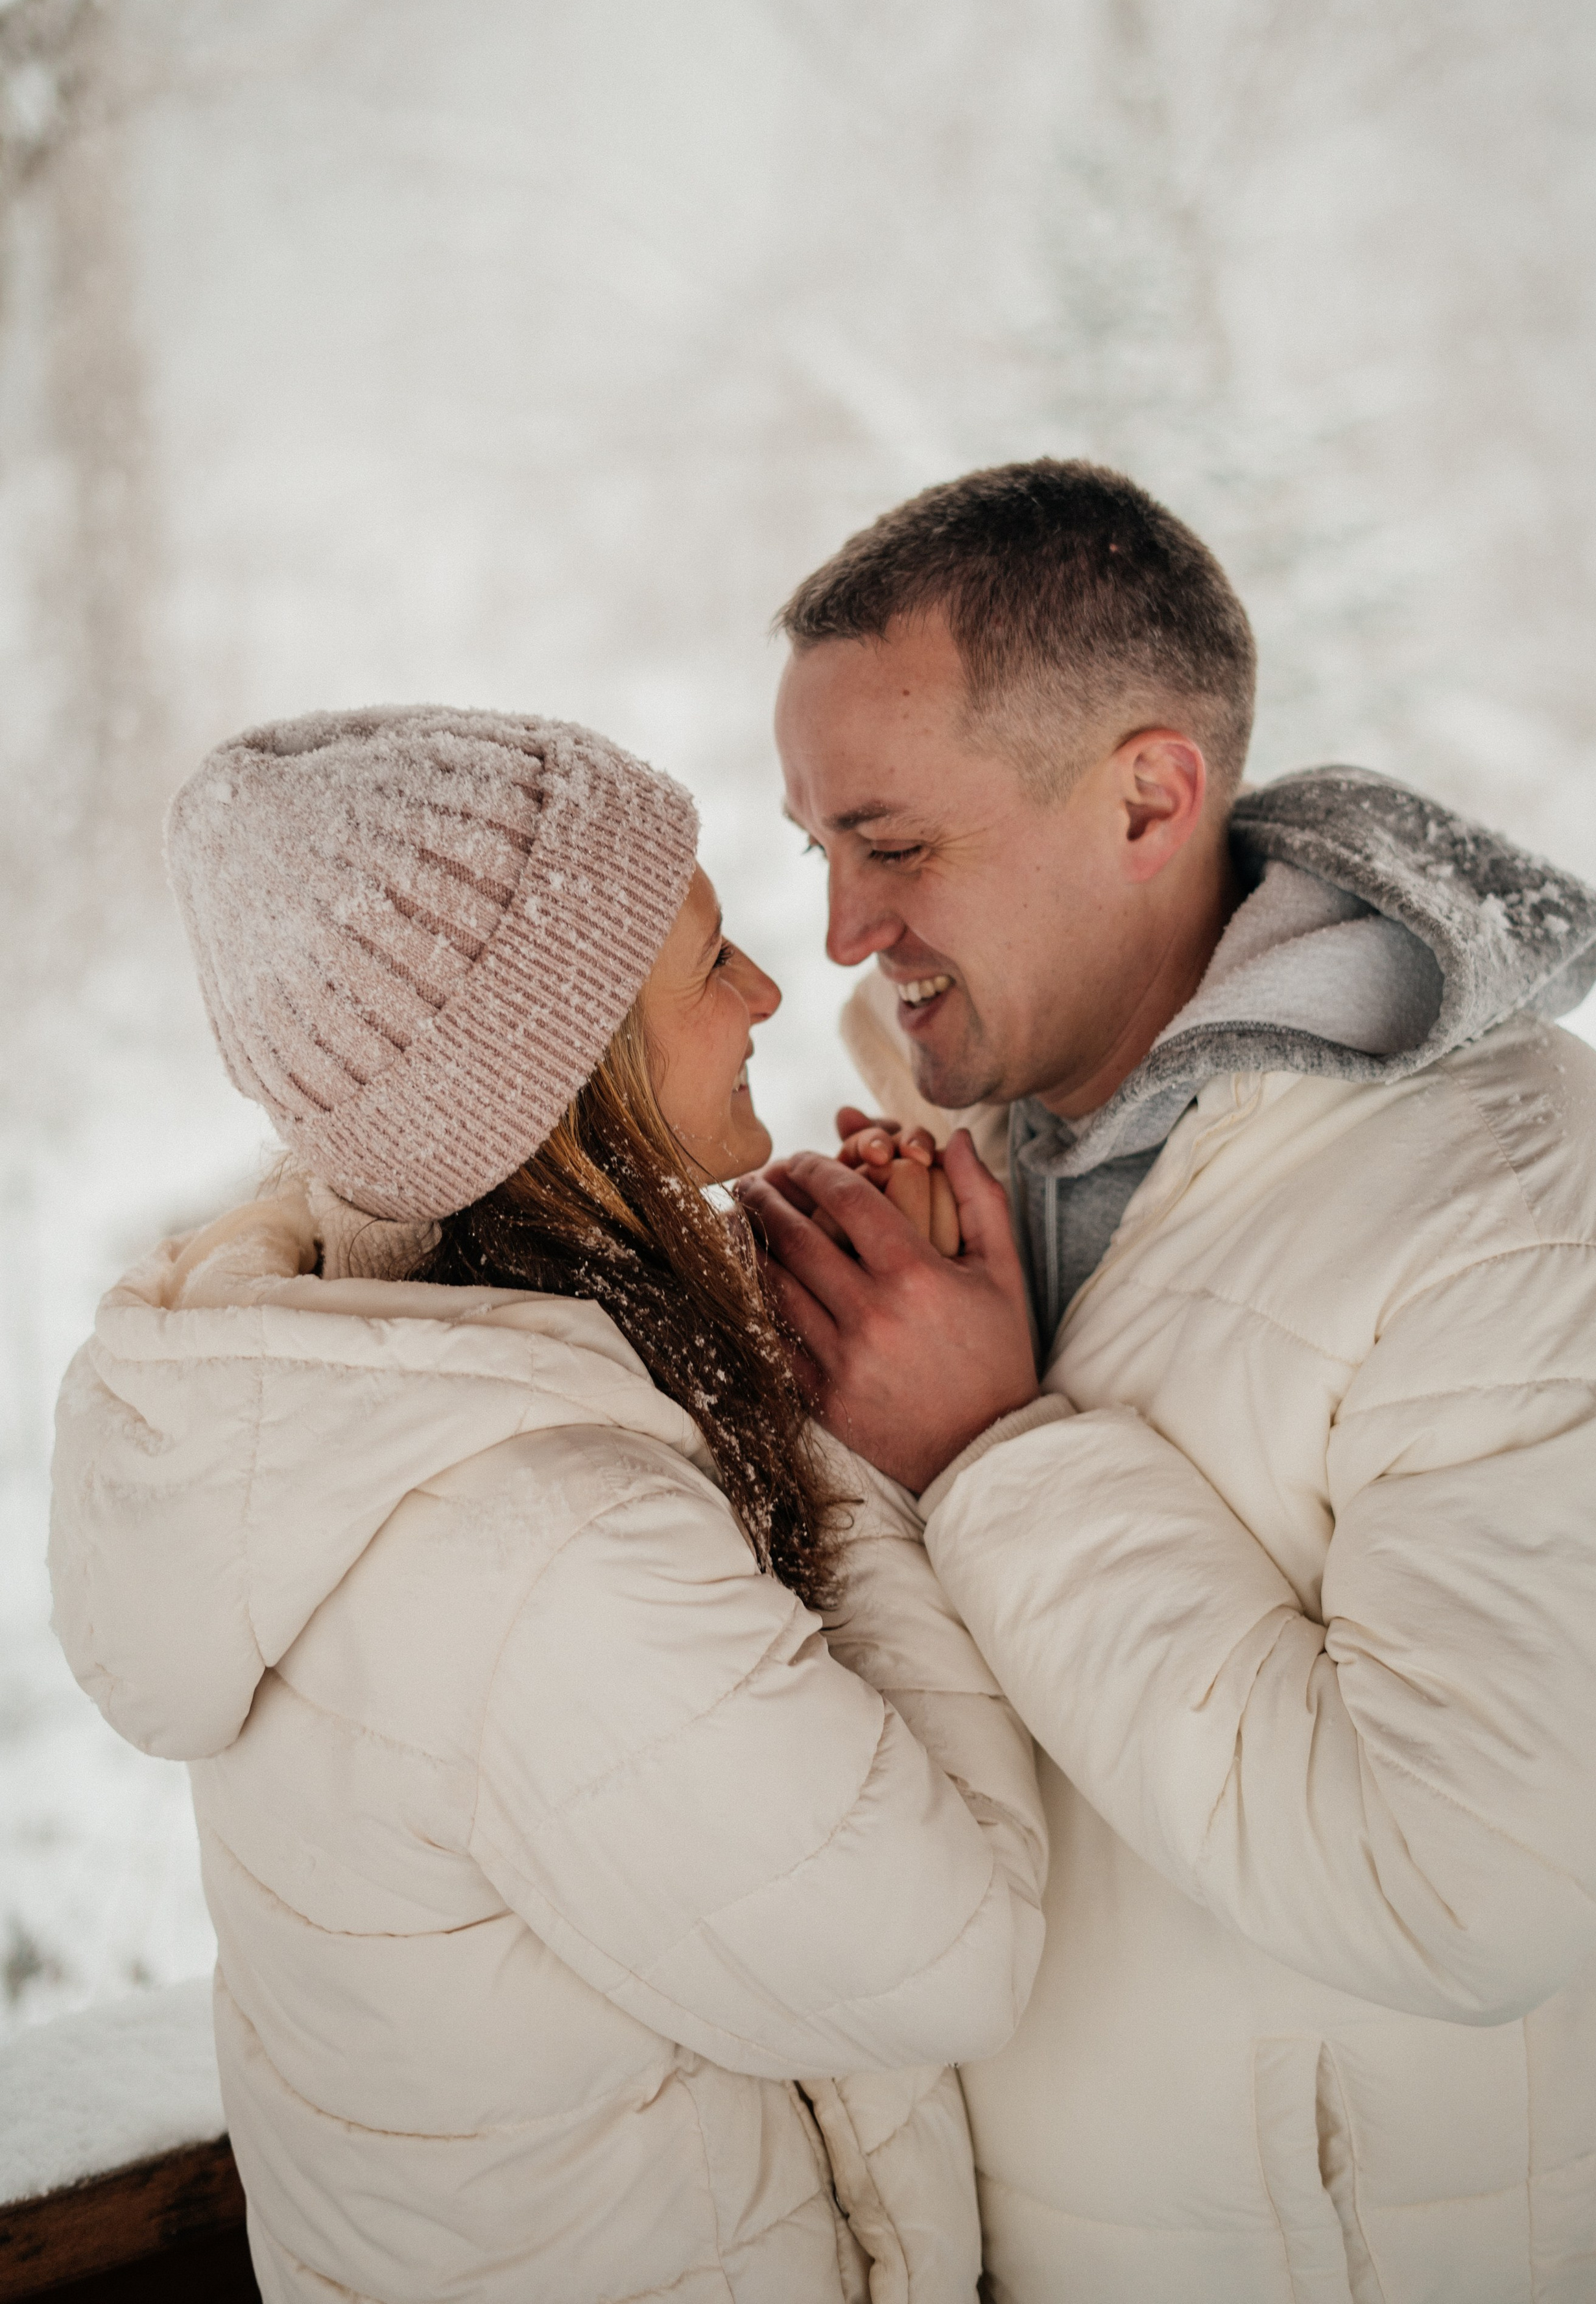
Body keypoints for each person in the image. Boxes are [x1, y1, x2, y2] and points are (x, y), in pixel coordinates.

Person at [740, 460, 1596, 2304]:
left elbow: (1464, 1889)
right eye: (817, 847)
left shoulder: (1516, 1196)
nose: (840, 929)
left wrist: (995, 1458)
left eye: (895, 846)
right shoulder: (933, 1142)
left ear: (1150, 795)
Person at [49, 706, 1047, 2304]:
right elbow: (952, 1953)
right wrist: (887, 1444)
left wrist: (770, 1355)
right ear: (564, 1080)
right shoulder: (540, 1537)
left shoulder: (348, 1395)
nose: (768, 998)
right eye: (712, 962)